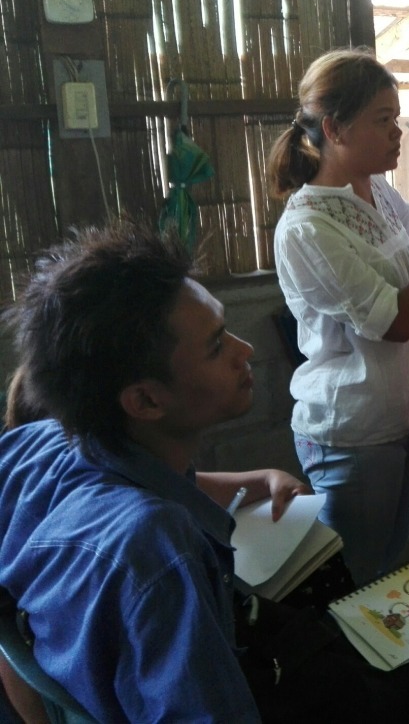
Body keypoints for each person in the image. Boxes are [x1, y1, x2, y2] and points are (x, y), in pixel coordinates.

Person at [0, 221, 308, 721]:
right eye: (215, 346)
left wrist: (253, 480)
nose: (245, 351)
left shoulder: (35, 446)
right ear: (145, 400)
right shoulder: (161, 553)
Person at [268, 47, 409, 585]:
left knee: (389, 557)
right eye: (383, 121)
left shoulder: (373, 191)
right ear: (335, 128)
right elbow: (394, 322)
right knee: (358, 577)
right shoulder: (308, 227)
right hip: (351, 428)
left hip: (394, 415)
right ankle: (359, 670)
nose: (397, 132)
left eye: (396, 119)